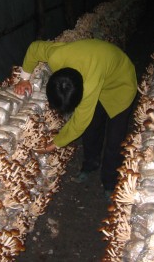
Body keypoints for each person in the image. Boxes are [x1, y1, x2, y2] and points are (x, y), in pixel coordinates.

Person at [14, 38, 137, 197]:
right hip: (100, 67)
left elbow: (79, 122)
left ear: (81, 93)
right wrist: (24, 78)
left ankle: (110, 182)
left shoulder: (90, 84)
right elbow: (34, 47)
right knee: (92, 129)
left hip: (120, 83)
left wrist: (54, 144)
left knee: (115, 139)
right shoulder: (56, 57)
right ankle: (90, 165)